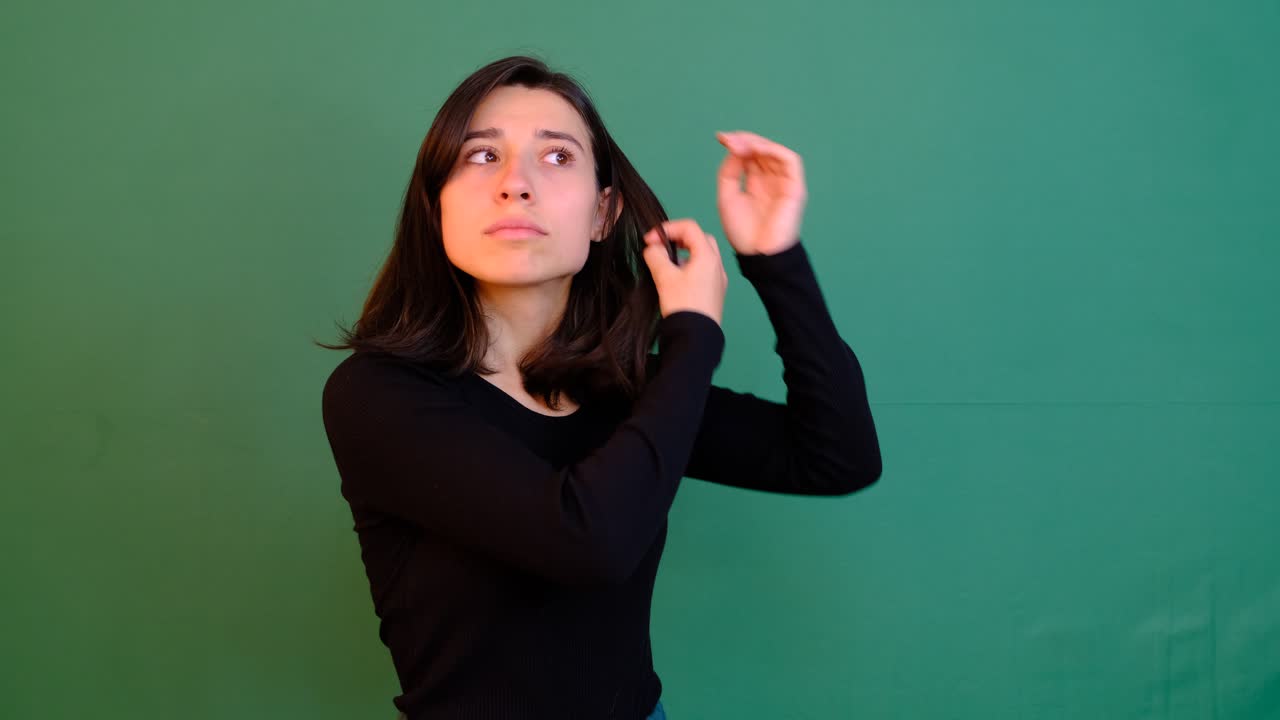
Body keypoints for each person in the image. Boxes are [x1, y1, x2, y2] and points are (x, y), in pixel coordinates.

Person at [318, 55, 882, 720]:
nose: (516, 184)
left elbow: (837, 456)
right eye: (479, 157)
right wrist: (693, 336)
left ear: (602, 212)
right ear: (437, 205)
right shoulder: (377, 396)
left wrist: (773, 258)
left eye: (556, 158)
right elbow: (588, 543)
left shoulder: (625, 391)